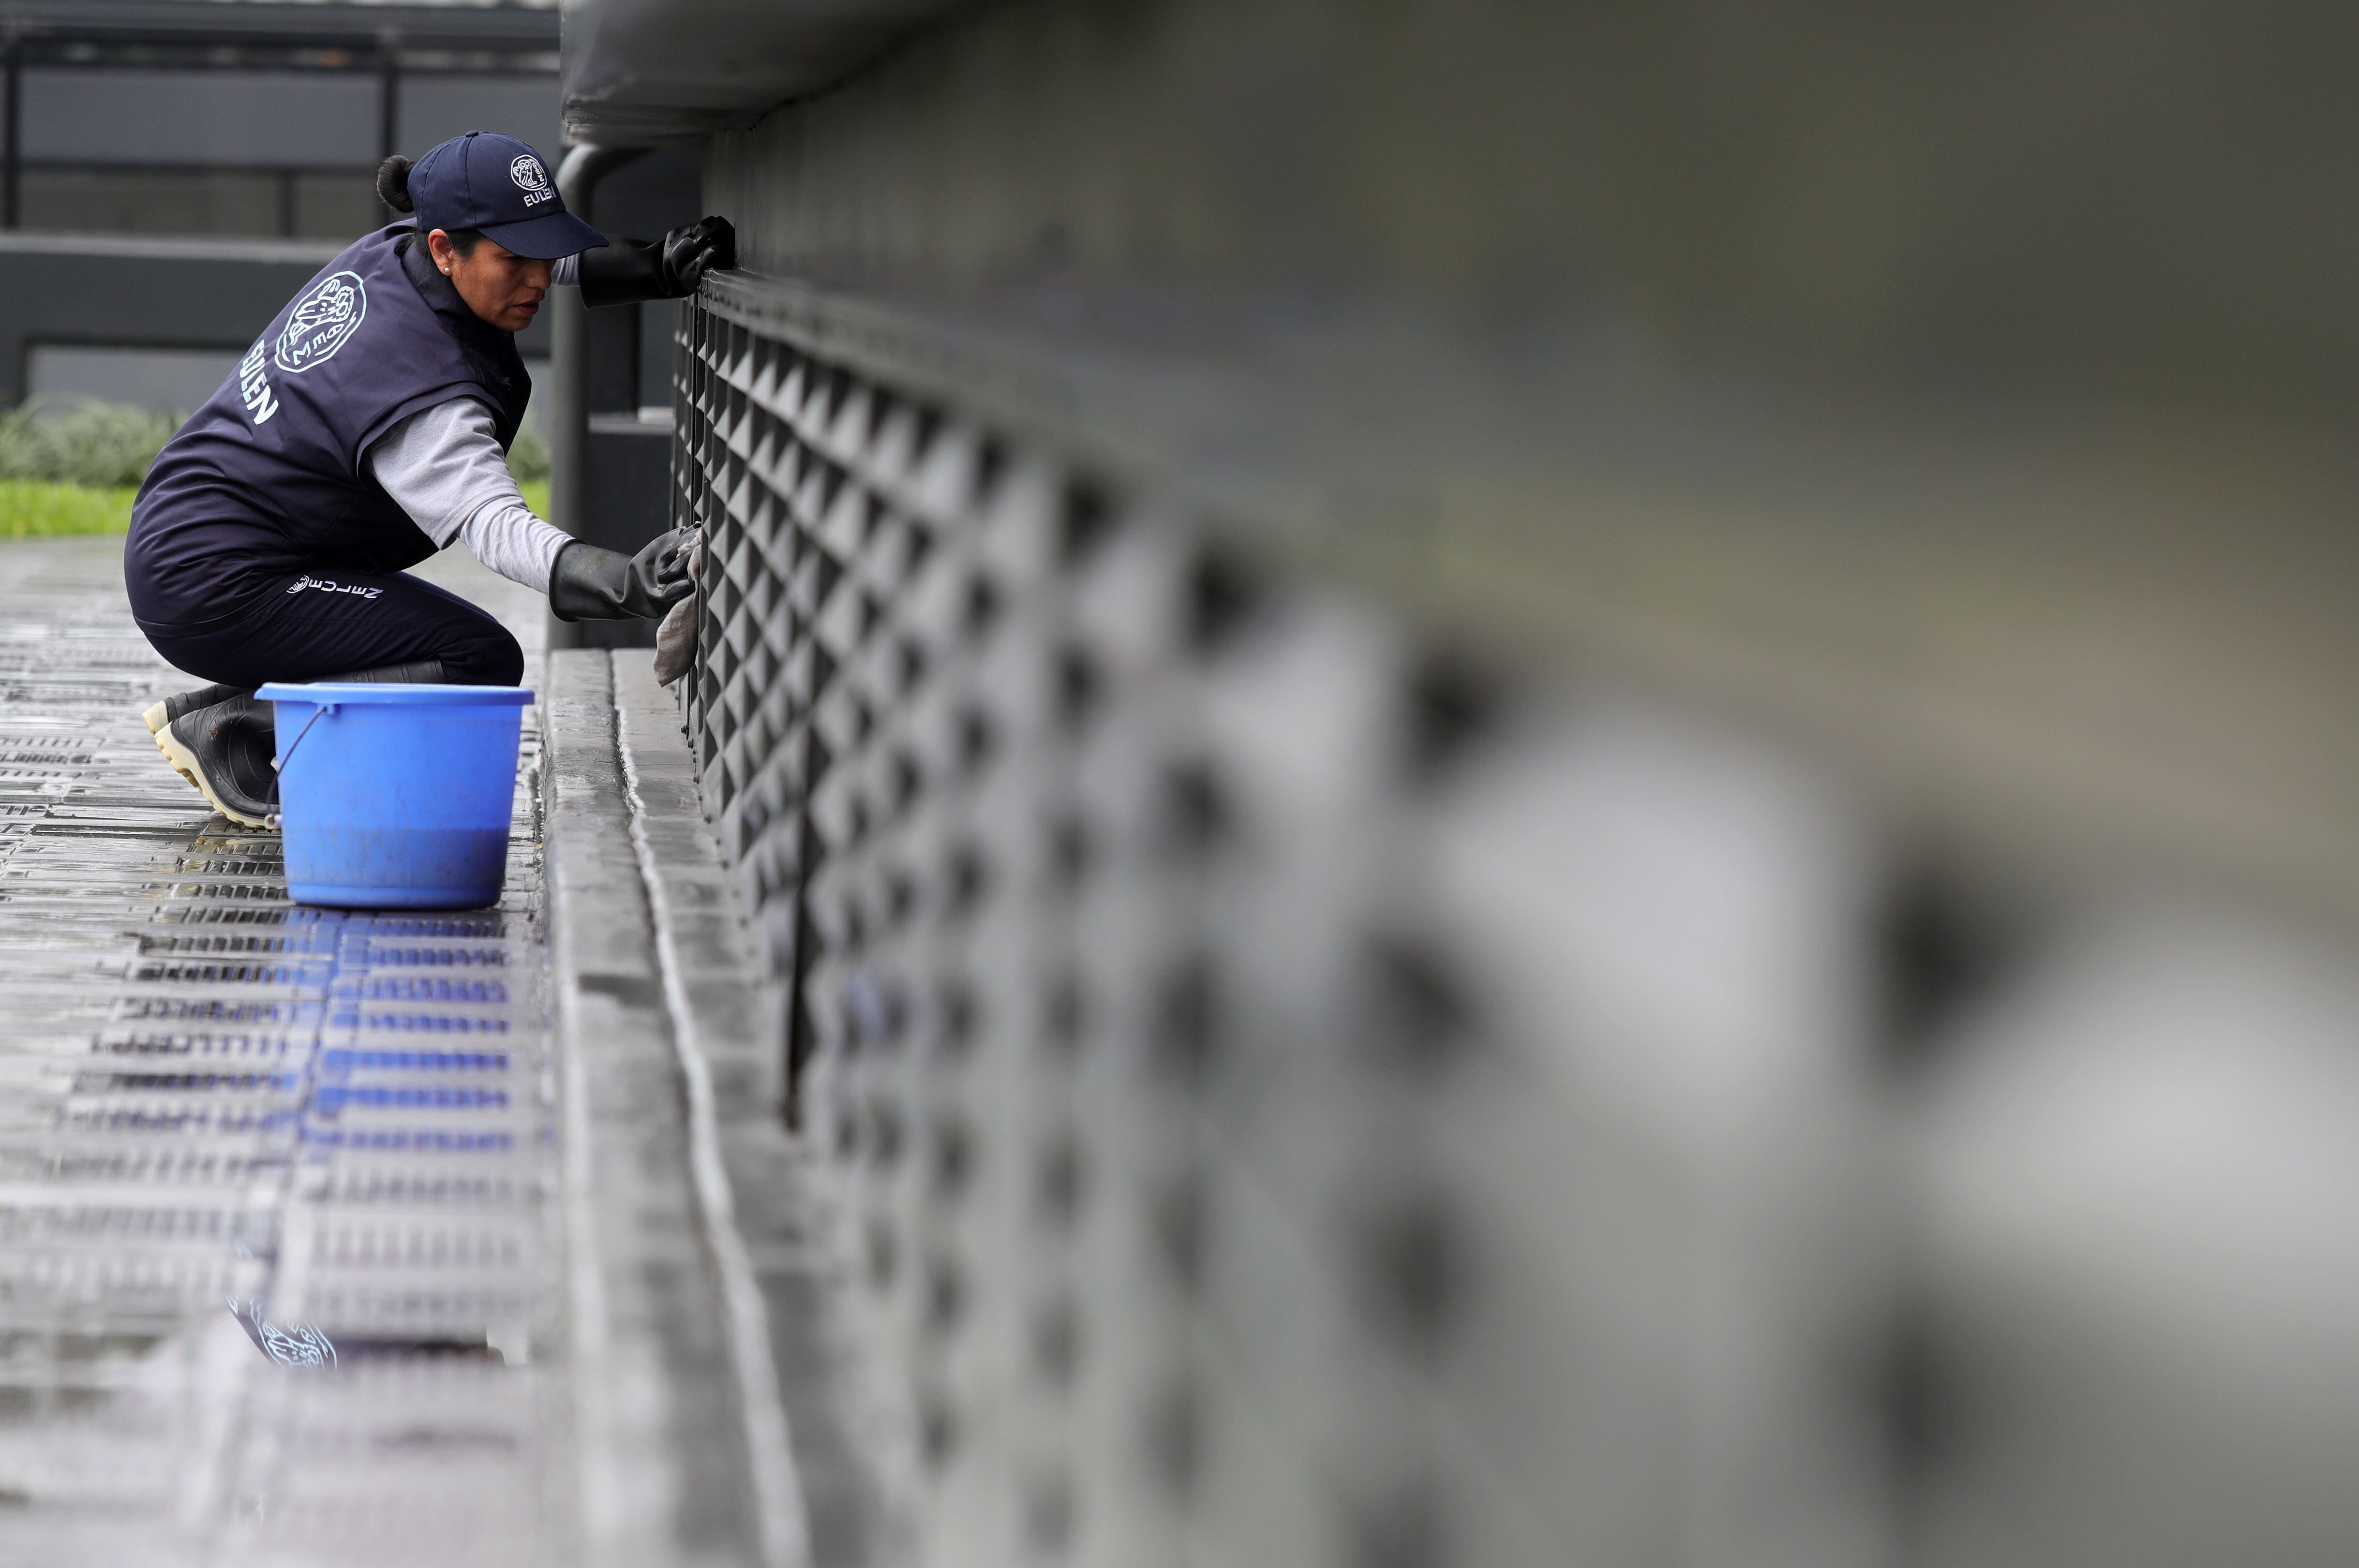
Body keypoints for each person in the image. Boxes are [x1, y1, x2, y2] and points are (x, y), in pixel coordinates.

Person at [123, 130, 734, 827]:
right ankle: (237, 725)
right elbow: (494, 523)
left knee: (441, 640)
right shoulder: (419, 396)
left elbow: (543, 261)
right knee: (474, 656)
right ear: (445, 247)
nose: (538, 277)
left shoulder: (403, 253)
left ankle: (239, 707)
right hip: (213, 581)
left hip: (193, 528)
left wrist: (661, 265)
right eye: (515, 260)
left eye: (544, 251)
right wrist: (626, 582)